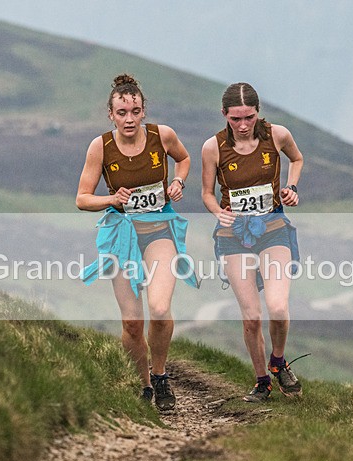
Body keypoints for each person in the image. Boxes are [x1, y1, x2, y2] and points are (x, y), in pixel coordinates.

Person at [77, 74, 198, 410]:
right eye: (122, 112)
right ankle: (144, 383)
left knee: (159, 309)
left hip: (159, 231)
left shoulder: (164, 136)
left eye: (135, 111)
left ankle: (160, 377)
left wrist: (178, 182)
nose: (129, 119)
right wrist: (112, 199)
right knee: (132, 323)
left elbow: (185, 160)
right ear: (111, 115)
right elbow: (82, 198)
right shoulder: (100, 147)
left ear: (144, 112)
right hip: (122, 237)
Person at [201, 82, 304, 402]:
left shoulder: (277, 135)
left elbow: (297, 160)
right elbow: (206, 193)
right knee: (251, 316)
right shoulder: (212, 148)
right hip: (234, 237)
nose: (243, 125)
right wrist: (219, 211)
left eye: (249, 117)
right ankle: (262, 381)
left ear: (259, 113)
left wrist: (292, 187)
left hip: (273, 229)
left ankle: (278, 361)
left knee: (277, 307)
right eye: (235, 119)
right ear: (224, 115)